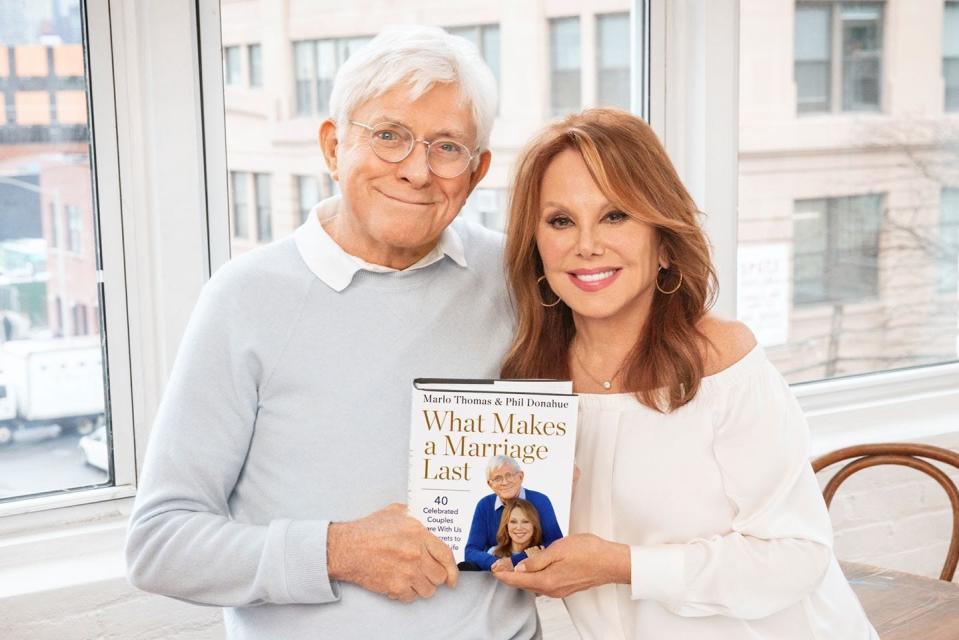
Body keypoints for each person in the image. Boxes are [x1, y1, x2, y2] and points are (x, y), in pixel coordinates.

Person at [125, 26, 540, 640]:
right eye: (389, 136)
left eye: (447, 147)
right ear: (332, 146)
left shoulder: (517, 278)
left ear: (476, 172)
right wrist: (337, 551)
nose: (418, 171)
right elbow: (159, 544)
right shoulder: (243, 300)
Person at [494, 109, 879, 639]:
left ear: (664, 244)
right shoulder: (528, 383)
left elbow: (798, 556)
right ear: (535, 248)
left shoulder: (723, 363)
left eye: (615, 216)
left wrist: (622, 565)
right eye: (561, 221)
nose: (586, 244)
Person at [464, 455, 563, 572]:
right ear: (490, 484)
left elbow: (555, 545)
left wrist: (513, 562)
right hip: (494, 574)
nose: (504, 482)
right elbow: (471, 551)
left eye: (509, 475)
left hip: (532, 572)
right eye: (497, 478)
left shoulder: (540, 501)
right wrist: (497, 563)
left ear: (520, 476)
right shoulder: (484, 505)